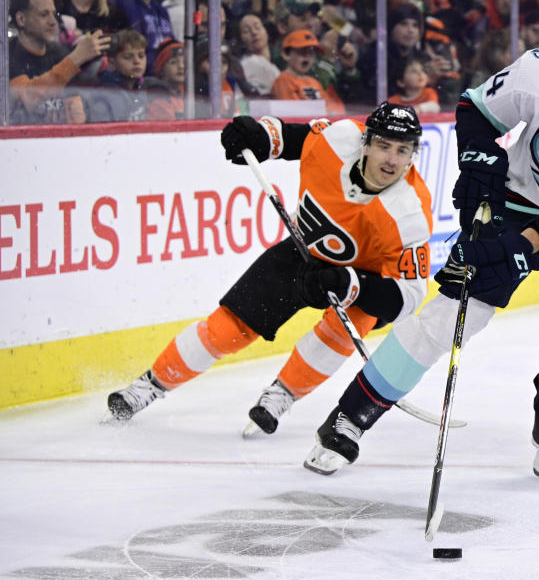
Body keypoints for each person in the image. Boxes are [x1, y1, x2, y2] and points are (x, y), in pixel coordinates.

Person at [301, 0, 539, 485]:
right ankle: (349, 417)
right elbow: (475, 109)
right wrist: (479, 164)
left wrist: (516, 247)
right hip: (522, 193)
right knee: (453, 308)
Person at [106, 103, 434, 434]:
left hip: (364, 282)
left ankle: (282, 394)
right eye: (383, 146)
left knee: (341, 329)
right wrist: (260, 136)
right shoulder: (338, 140)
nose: (391, 159)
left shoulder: (409, 214)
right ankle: (151, 384)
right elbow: (295, 138)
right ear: (365, 143)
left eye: (402, 150)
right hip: (303, 252)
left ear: (411, 155)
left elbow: (407, 296)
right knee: (228, 328)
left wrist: (349, 283)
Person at [9, 0, 112, 124]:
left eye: (54, 14)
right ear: (21, 19)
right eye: (44, 14)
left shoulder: (59, 53)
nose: (53, 22)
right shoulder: (7, 54)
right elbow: (28, 97)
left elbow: (76, 114)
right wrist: (76, 58)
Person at [271, 29, 346, 115]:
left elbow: (333, 108)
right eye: (302, 52)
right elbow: (291, 113)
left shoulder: (314, 82)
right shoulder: (283, 79)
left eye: (311, 53)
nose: (307, 56)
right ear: (286, 55)